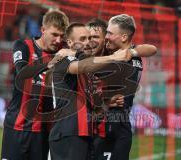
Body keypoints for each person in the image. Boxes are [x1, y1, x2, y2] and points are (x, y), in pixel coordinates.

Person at [49, 22, 134, 160]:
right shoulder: (63, 58)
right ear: (69, 42)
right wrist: (113, 57)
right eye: (83, 39)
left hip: (84, 135)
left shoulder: (87, 72)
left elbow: (91, 111)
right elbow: (79, 67)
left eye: (89, 38)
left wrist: (106, 104)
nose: (88, 42)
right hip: (68, 134)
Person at [1, 10, 70, 160]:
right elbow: (23, 73)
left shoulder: (64, 52)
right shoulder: (23, 45)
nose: (58, 40)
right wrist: (54, 60)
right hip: (16, 127)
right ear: (43, 30)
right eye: (54, 34)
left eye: (61, 36)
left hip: (43, 131)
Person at [91, 14, 147, 160]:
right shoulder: (134, 56)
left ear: (123, 37)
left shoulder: (119, 62)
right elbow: (151, 49)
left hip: (110, 126)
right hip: (115, 125)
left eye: (109, 33)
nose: (106, 37)